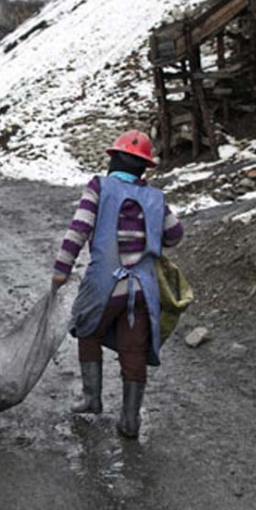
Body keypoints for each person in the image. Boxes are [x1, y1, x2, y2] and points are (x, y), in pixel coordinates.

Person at [52, 130, 183, 438]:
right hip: (143, 289)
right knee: (133, 348)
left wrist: (62, 269)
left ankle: (92, 398)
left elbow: (78, 229)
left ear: (114, 159)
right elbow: (175, 235)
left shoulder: (99, 186)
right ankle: (129, 419)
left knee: (87, 328)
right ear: (143, 167)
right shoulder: (156, 198)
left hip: (103, 284)